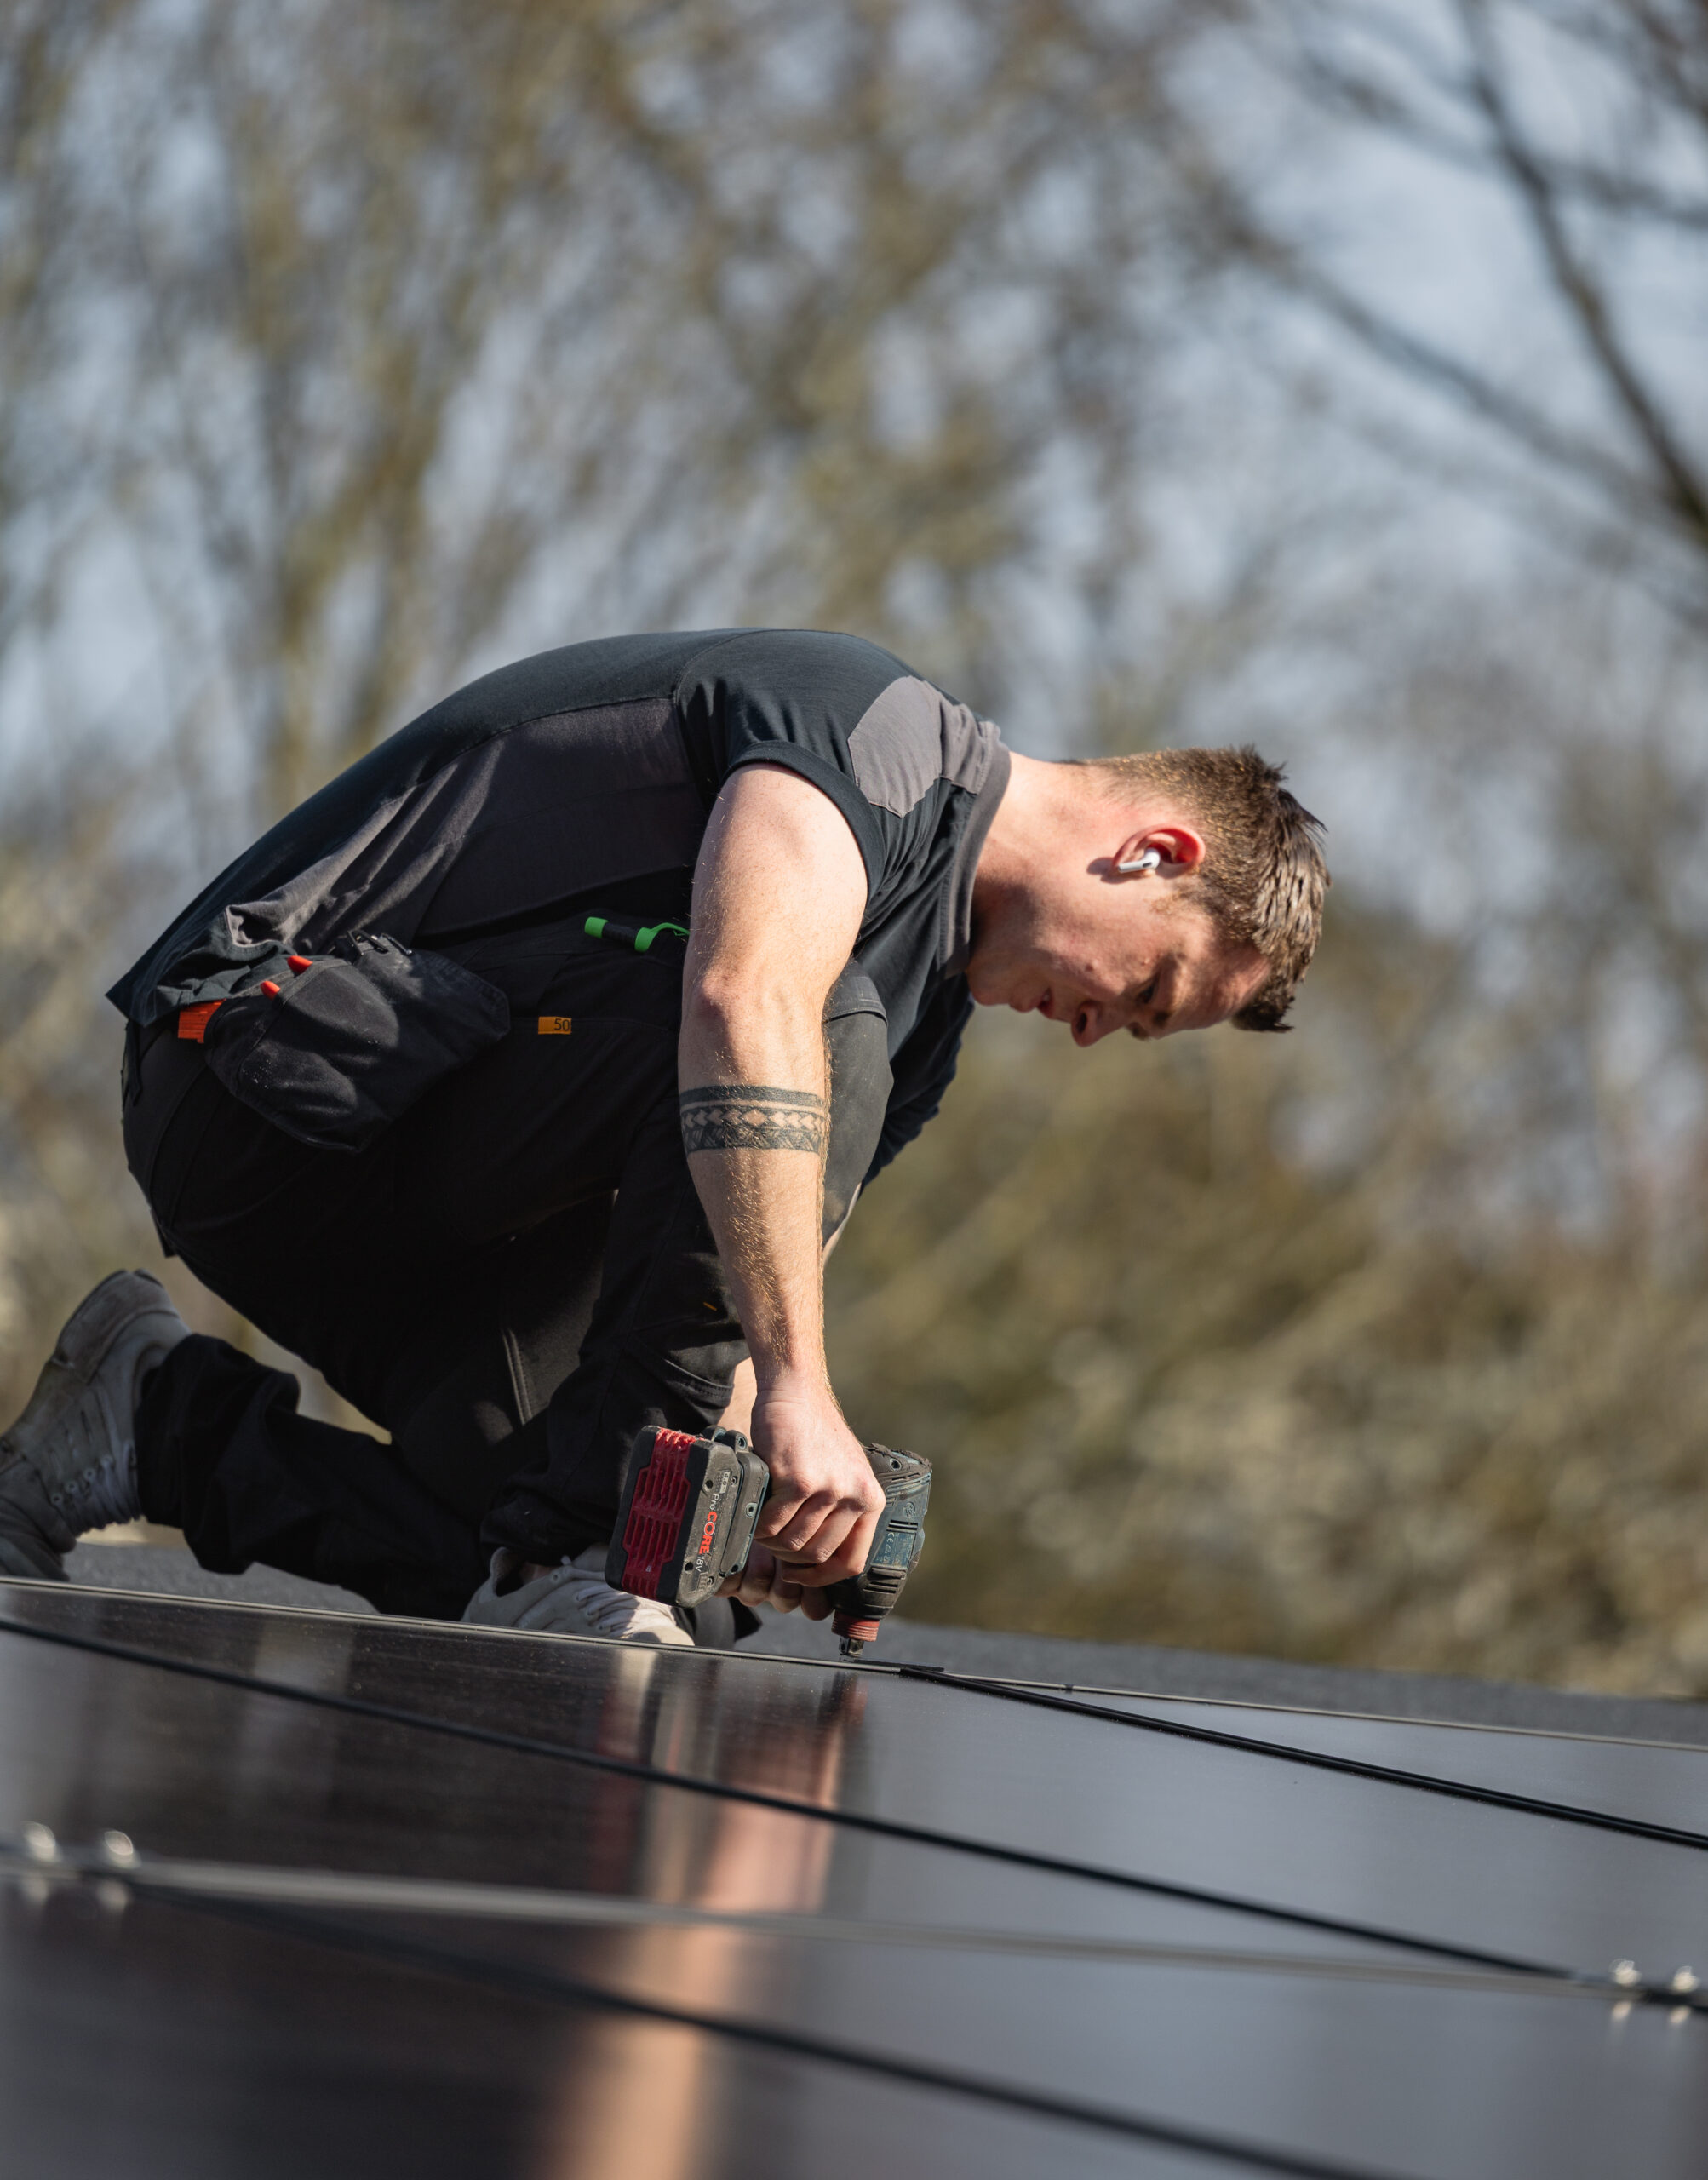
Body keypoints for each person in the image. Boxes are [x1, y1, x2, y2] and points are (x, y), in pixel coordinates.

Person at [0, 629, 1327, 1644]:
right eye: (1143, 995)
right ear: (1150, 852)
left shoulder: (918, 1041)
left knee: (635, 1580)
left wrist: (753, 1509)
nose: (1099, 1032)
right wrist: (789, 1403)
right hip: (260, 1084)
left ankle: (154, 1420)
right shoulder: (873, 734)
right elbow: (738, 1000)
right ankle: (571, 1543)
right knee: (807, 1028)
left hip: (436, 1220)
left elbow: (728, 1293)